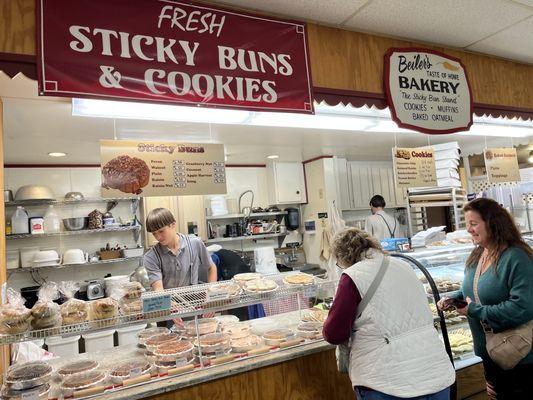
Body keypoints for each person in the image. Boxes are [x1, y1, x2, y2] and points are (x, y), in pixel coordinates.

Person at [323, 228, 454, 400]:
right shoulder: (404, 265)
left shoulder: (352, 277)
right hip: (435, 372)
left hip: (387, 383)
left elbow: (334, 333)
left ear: (343, 257)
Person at [438, 198, 533, 399]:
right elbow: (474, 290)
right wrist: (453, 299)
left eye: (474, 224)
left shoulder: (517, 257)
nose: (469, 230)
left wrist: (474, 310)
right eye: (467, 225)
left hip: (519, 356)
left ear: (493, 223)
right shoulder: (479, 254)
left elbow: (522, 308)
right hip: (491, 354)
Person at [143, 207, 217, 291]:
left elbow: (211, 267)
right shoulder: (151, 257)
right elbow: (159, 289)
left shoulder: (195, 243)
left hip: (194, 299)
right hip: (168, 301)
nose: (158, 237)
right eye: (154, 234)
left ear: (173, 224)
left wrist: (211, 291)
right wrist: (171, 303)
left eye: (161, 231)